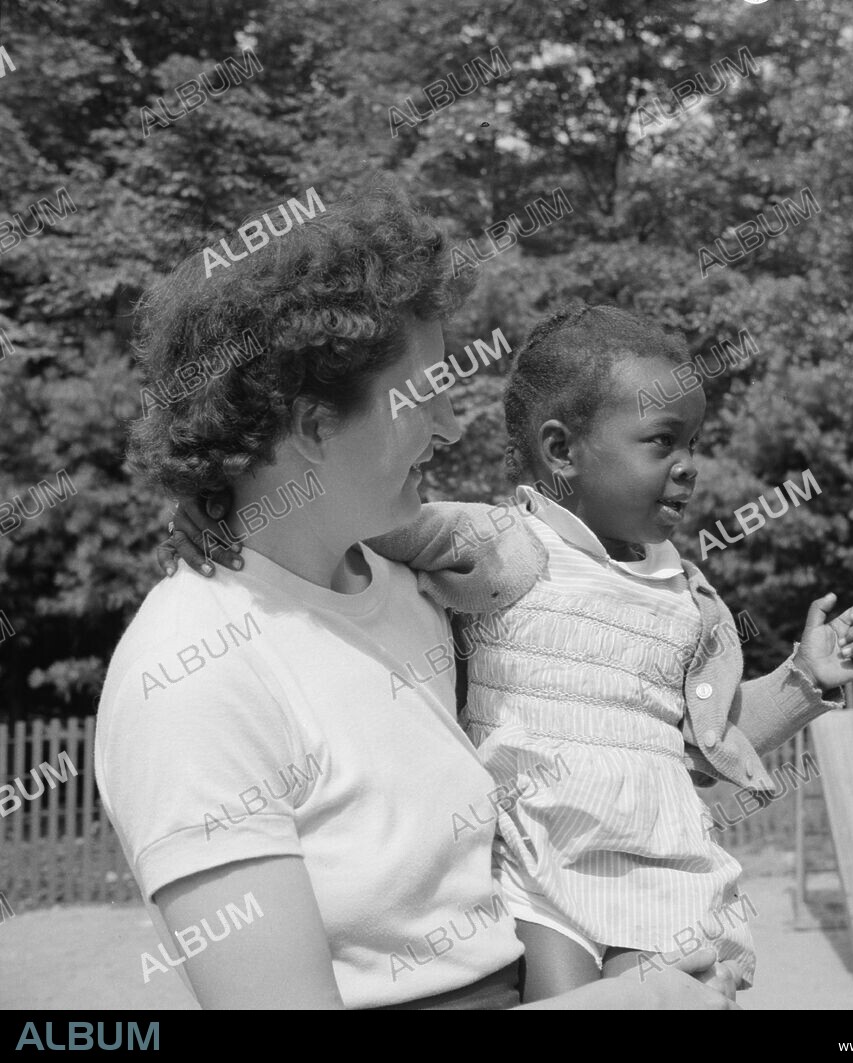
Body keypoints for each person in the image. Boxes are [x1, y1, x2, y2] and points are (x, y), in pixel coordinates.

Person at [97, 179, 738, 1010]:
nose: (452, 425)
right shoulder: (188, 679)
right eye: (423, 394)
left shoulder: (418, 589)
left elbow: (603, 734)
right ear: (313, 424)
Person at [165, 296, 853, 1003]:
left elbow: (709, 743)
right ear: (562, 450)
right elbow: (371, 522)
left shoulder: (686, 597)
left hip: (663, 861)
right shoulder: (509, 543)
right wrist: (236, 500)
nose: (690, 464)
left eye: (694, 443)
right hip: (539, 860)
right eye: (664, 441)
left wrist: (801, 681)